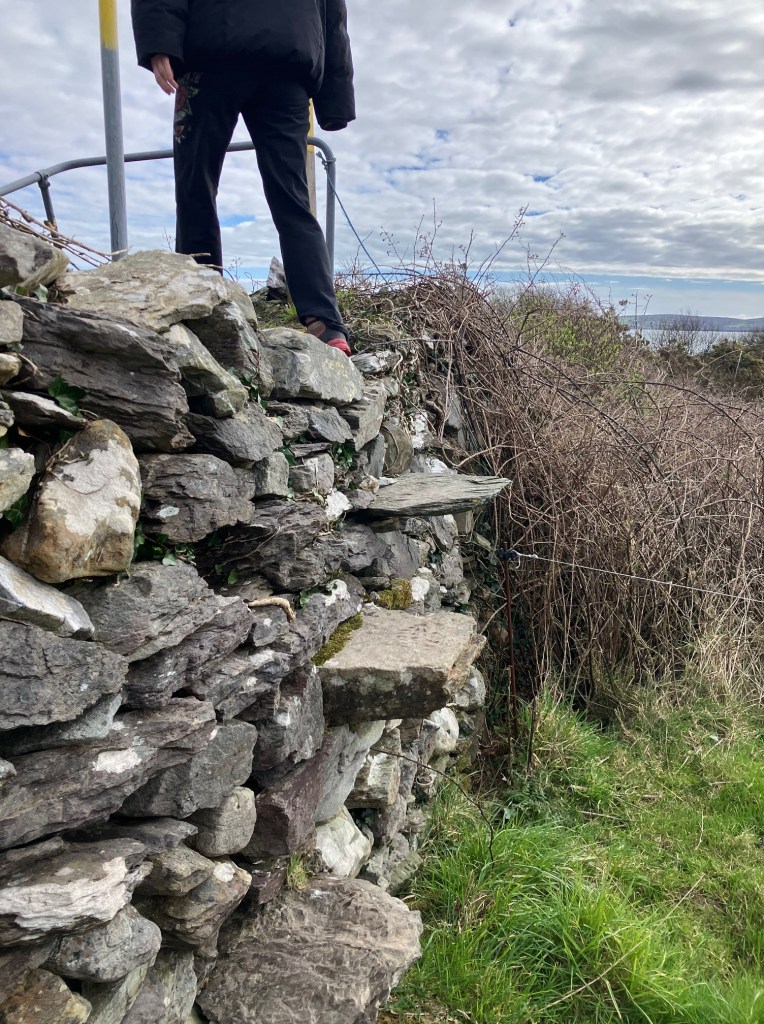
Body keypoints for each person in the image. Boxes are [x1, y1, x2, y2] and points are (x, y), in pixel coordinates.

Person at [130, 0, 355, 355]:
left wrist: (159, 41)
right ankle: (325, 322)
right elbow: (333, 14)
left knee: (195, 187)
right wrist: (335, 99)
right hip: (290, 57)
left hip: (212, 51)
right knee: (293, 199)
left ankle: (203, 304)